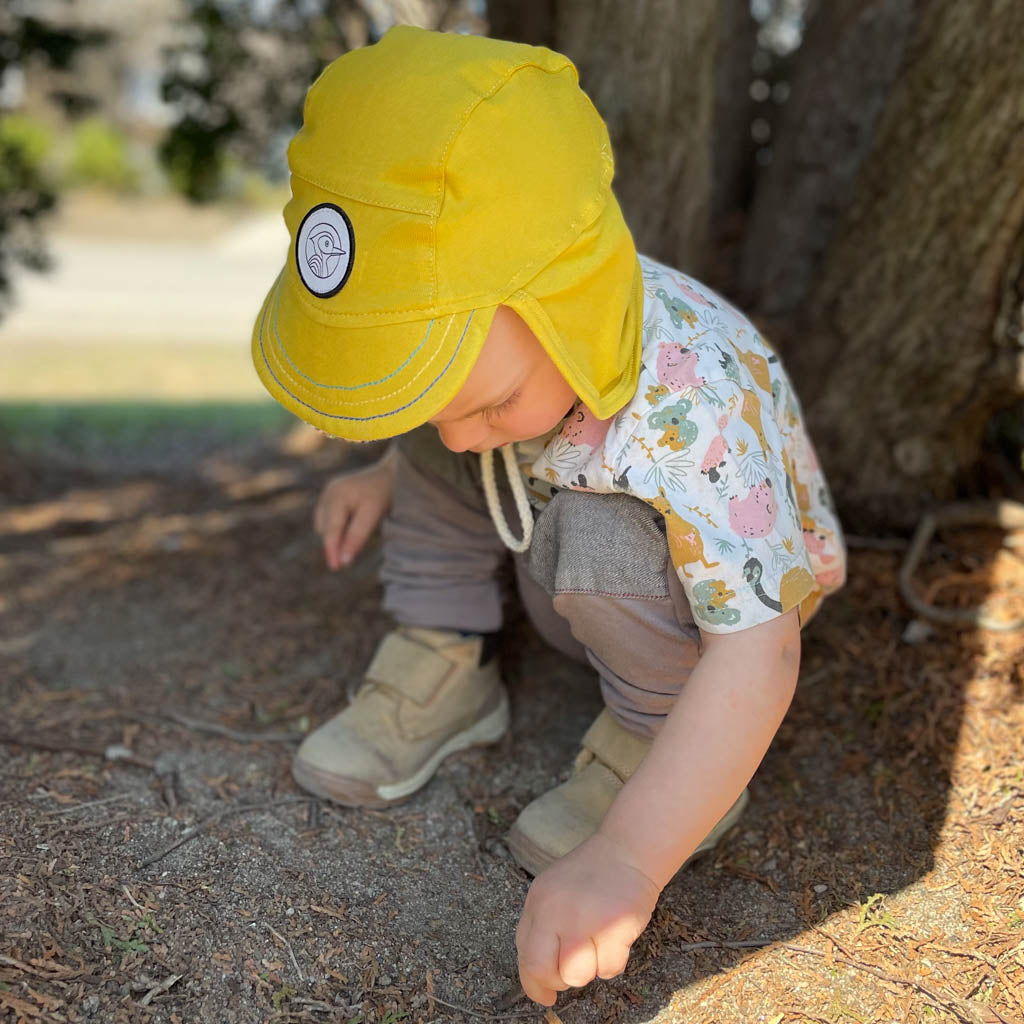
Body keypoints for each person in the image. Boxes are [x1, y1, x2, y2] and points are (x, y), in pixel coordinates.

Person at [251, 24, 846, 1007]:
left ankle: (657, 751)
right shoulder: (502, 367)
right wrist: (393, 470)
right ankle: (444, 668)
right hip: (550, 541)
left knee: (601, 527)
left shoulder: (693, 403)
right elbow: (463, 431)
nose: (464, 435)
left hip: (695, 626)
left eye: (488, 400)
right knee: (457, 453)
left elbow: (759, 653)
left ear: (567, 308)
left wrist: (626, 861)